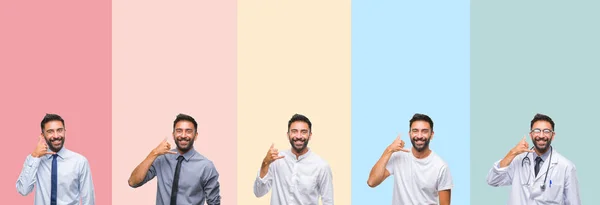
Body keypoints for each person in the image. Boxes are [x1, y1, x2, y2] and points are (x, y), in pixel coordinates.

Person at [487, 113, 581, 204]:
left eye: (546, 131)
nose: (541, 136)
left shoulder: (566, 166)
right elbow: (493, 180)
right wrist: (512, 153)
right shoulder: (517, 160)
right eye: (537, 131)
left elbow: (573, 202)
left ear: (553, 136)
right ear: (531, 135)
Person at [128, 113, 221, 205]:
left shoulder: (206, 166)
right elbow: (133, 182)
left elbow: (214, 202)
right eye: (179, 131)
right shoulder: (161, 159)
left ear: (195, 135)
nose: (183, 135)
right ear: (173, 135)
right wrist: (154, 153)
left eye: (188, 131)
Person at [367, 113, 453, 205]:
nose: (419, 136)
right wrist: (389, 150)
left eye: (424, 131)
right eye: (415, 131)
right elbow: (372, 182)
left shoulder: (441, 166)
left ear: (431, 135)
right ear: (410, 134)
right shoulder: (398, 156)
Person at [253, 114, 334, 205]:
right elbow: (258, 192)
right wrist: (265, 163)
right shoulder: (276, 160)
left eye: (303, 132)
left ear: (310, 135)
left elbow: (328, 201)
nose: (298, 136)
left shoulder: (321, 166)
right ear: (288, 135)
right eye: (294, 131)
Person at [16, 113, 96, 205]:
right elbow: (23, 190)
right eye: (50, 131)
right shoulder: (34, 159)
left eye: (59, 130)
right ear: (43, 135)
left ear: (64, 131)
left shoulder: (80, 161)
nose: (56, 136)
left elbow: (88, 197)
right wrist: (34, 156)